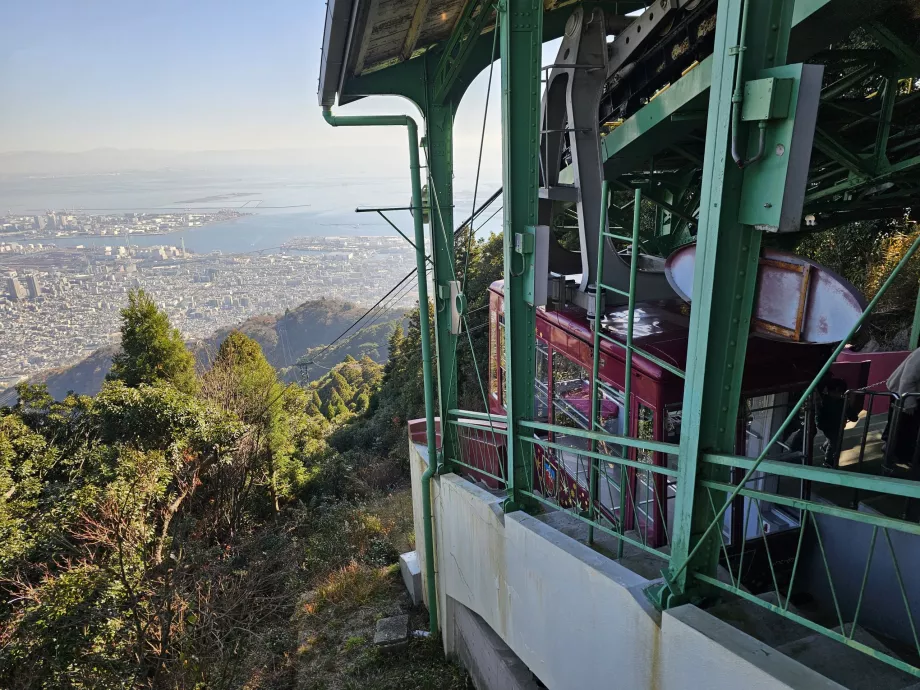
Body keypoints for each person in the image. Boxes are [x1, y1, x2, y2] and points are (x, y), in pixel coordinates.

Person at [883, 347, 920, 473]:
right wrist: (909, 404)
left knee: (901, 424)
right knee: (903, 425)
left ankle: (892, 449)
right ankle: (897, 455)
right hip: (901, 391)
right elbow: (907, 379)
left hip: (910, 392)